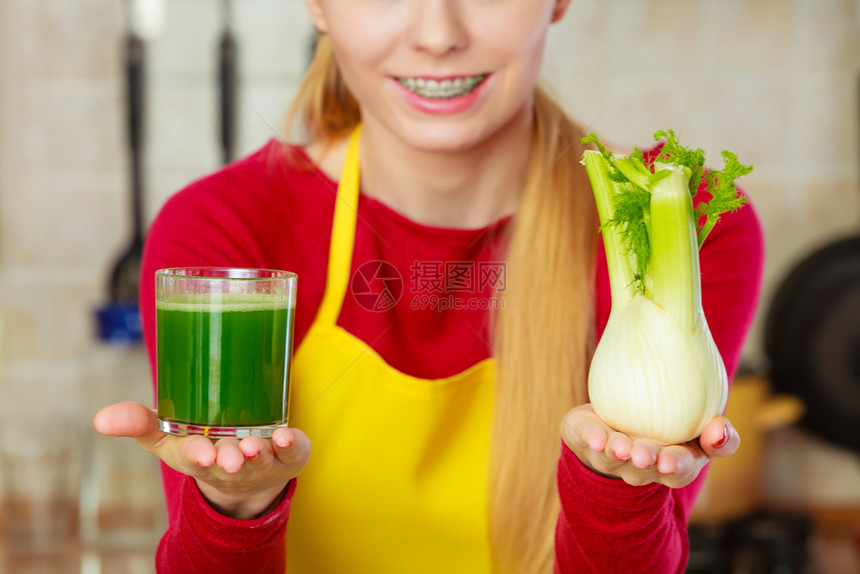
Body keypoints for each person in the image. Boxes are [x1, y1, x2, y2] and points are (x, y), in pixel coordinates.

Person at [94, 0, 764, 572]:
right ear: (319, 5)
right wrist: (233, 505)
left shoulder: (673, 220)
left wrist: (619, 491)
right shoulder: (227, 237)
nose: (438, 34)